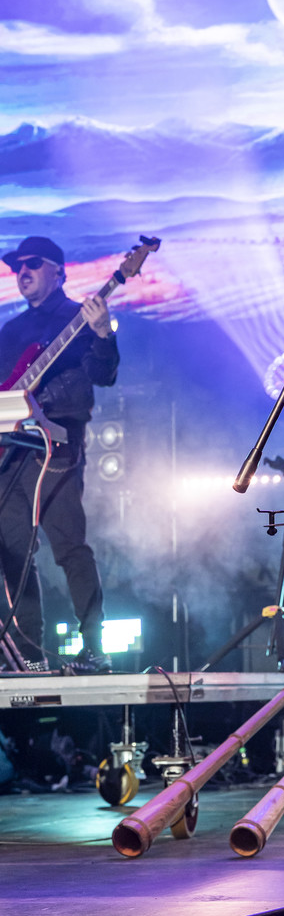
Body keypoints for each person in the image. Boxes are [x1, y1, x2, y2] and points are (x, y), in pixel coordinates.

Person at [0, 236, 120, 674]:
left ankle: (95, 649)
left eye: (33, 263)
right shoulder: (10, 331)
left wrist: (103, 333)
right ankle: (28, 656)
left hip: (57, 446)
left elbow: (103, 375)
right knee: (13, 554)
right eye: (17, 265)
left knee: (70, 547)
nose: (23, 271)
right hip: (12, 452)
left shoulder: (77, 317)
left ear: (59, 271)